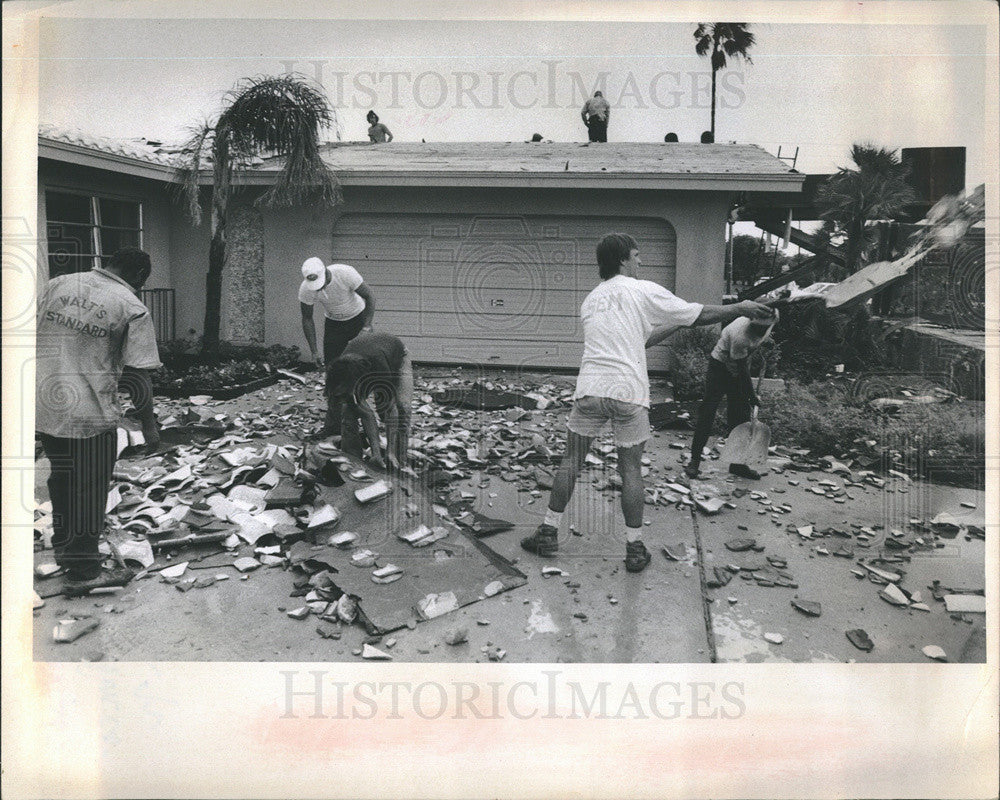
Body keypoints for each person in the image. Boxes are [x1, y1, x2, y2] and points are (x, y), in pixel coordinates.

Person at [519, 233, 773, 572]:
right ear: (623, 259)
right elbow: (698, 313)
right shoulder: (640, 289)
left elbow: (642, 338)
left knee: (571, 461)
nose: (641, 262)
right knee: (630, 470)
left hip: (591, 389)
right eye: (637, 256)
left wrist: (673, 324)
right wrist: (739, 308)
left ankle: (548, 531)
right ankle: (635, 549)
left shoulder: (591, 300)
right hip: (628, 393)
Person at [35, 247, 162, 594]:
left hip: (44, 405)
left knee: (62, 482)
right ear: (138, 275)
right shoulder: (131, 306)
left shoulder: (59, 284)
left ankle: (69, 557)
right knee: (89, 490)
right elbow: (137, 373)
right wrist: (149, 427)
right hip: (88, 412)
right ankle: (85, 573)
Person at [686, 310, 779, 479]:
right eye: (756, 327)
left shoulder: (773, 316)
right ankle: (694, 461)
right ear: (751, 320)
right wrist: (752, 396)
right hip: (719, 367)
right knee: (708, 412)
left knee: (740, 416)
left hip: (738, 368)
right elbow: (742, 370)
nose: (759, 331)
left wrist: (766, 341)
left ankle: (738, 465)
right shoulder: (740, 335)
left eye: (763, 328)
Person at [299, 257, 376, 436]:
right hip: (334, 324)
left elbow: (369, 295)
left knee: (358, 372)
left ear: (326, 272)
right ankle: (332, 426)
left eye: (321, 283)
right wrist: (314, 351)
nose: (319, 288)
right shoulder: (306, 289)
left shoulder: (345, 273)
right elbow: (307, 318)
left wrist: (367, 326)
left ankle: (363, 423)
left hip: (357, 318)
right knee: (332, 374)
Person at [325, 332, 413, 471]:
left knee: (402, 408)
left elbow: (391, 410)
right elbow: (367, 414)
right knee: (349, 411)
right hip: (361, 363)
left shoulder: (379, 369)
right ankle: (353, 459)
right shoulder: (338, 372)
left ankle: (398, 459)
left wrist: (389, 451)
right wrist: (375, 453)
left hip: (396, 355)